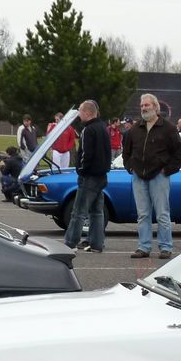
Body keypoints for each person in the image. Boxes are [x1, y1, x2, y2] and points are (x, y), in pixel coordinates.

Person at [122, 92, 181, 259]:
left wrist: (167, 170)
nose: (143, 108)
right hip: (139, 177)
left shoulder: (168, 128)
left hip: (159, 176)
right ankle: (144, 247)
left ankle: (166, 247)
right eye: (142, 105)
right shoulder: (135, 129)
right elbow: (126, 152)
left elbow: (179, 153)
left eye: (147, 105)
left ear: (155, 107)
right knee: (143, 214)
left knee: (162, 213)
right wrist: (130, 167)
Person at [64, 100, 110, 253]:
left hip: (89, 176)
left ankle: (70, 242)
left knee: (78, 212)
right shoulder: (103, 127)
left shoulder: (88, 130)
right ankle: (97, 243)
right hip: (101, 176)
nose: (79, 114)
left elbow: (86, 154)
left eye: (80, 111)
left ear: (87, 113)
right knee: (97, 212)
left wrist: (81, 170)